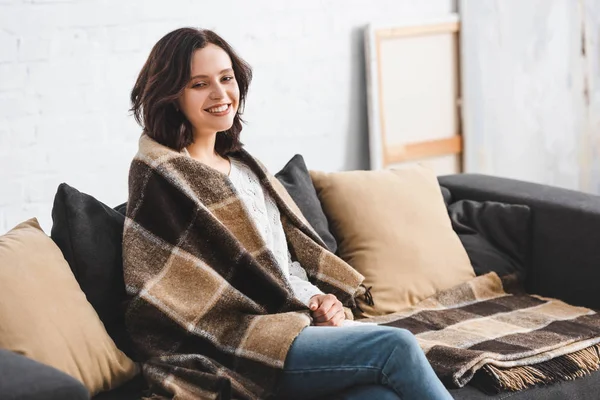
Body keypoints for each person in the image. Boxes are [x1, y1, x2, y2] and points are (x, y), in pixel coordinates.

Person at [124, 27, 453, 400]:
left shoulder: (246, 169)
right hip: (230, 342)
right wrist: (297, 312)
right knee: (396, 346)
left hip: (293, 325)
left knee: (380, 397)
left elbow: (283, 267)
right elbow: (183, 292)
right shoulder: (161, 175)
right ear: (171, 95)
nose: (220, 94)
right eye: (199, 84)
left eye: (226, 78)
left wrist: (322, 302)